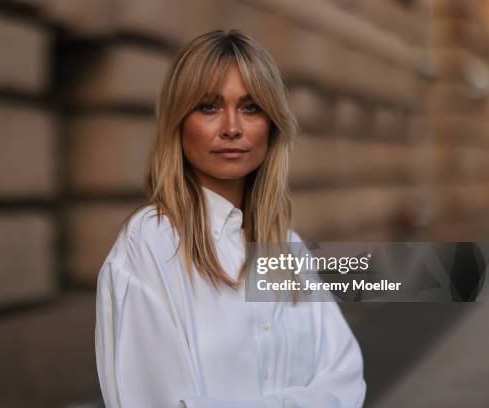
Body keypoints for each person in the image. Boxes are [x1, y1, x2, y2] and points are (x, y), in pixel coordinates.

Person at [95, 29, 366, 408]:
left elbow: (346, 377)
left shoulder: (286, 246)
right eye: (208, 106)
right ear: (178, 122)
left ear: (271, 125)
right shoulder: (152, 242)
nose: (232, 127)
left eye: (251, 107)